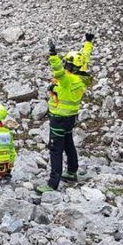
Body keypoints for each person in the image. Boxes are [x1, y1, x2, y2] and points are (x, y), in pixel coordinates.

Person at [35, 33, 95, 194]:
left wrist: (53, 55)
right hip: (70, 117)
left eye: (66, 62)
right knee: (68, 142)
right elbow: (85, 56)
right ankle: (72, 171)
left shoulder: (68, 80)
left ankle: (53, 182)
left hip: (59, 118)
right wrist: (88, 42)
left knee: (55, 149)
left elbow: (58, 72)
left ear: (68, 66)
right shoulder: (81, 75)